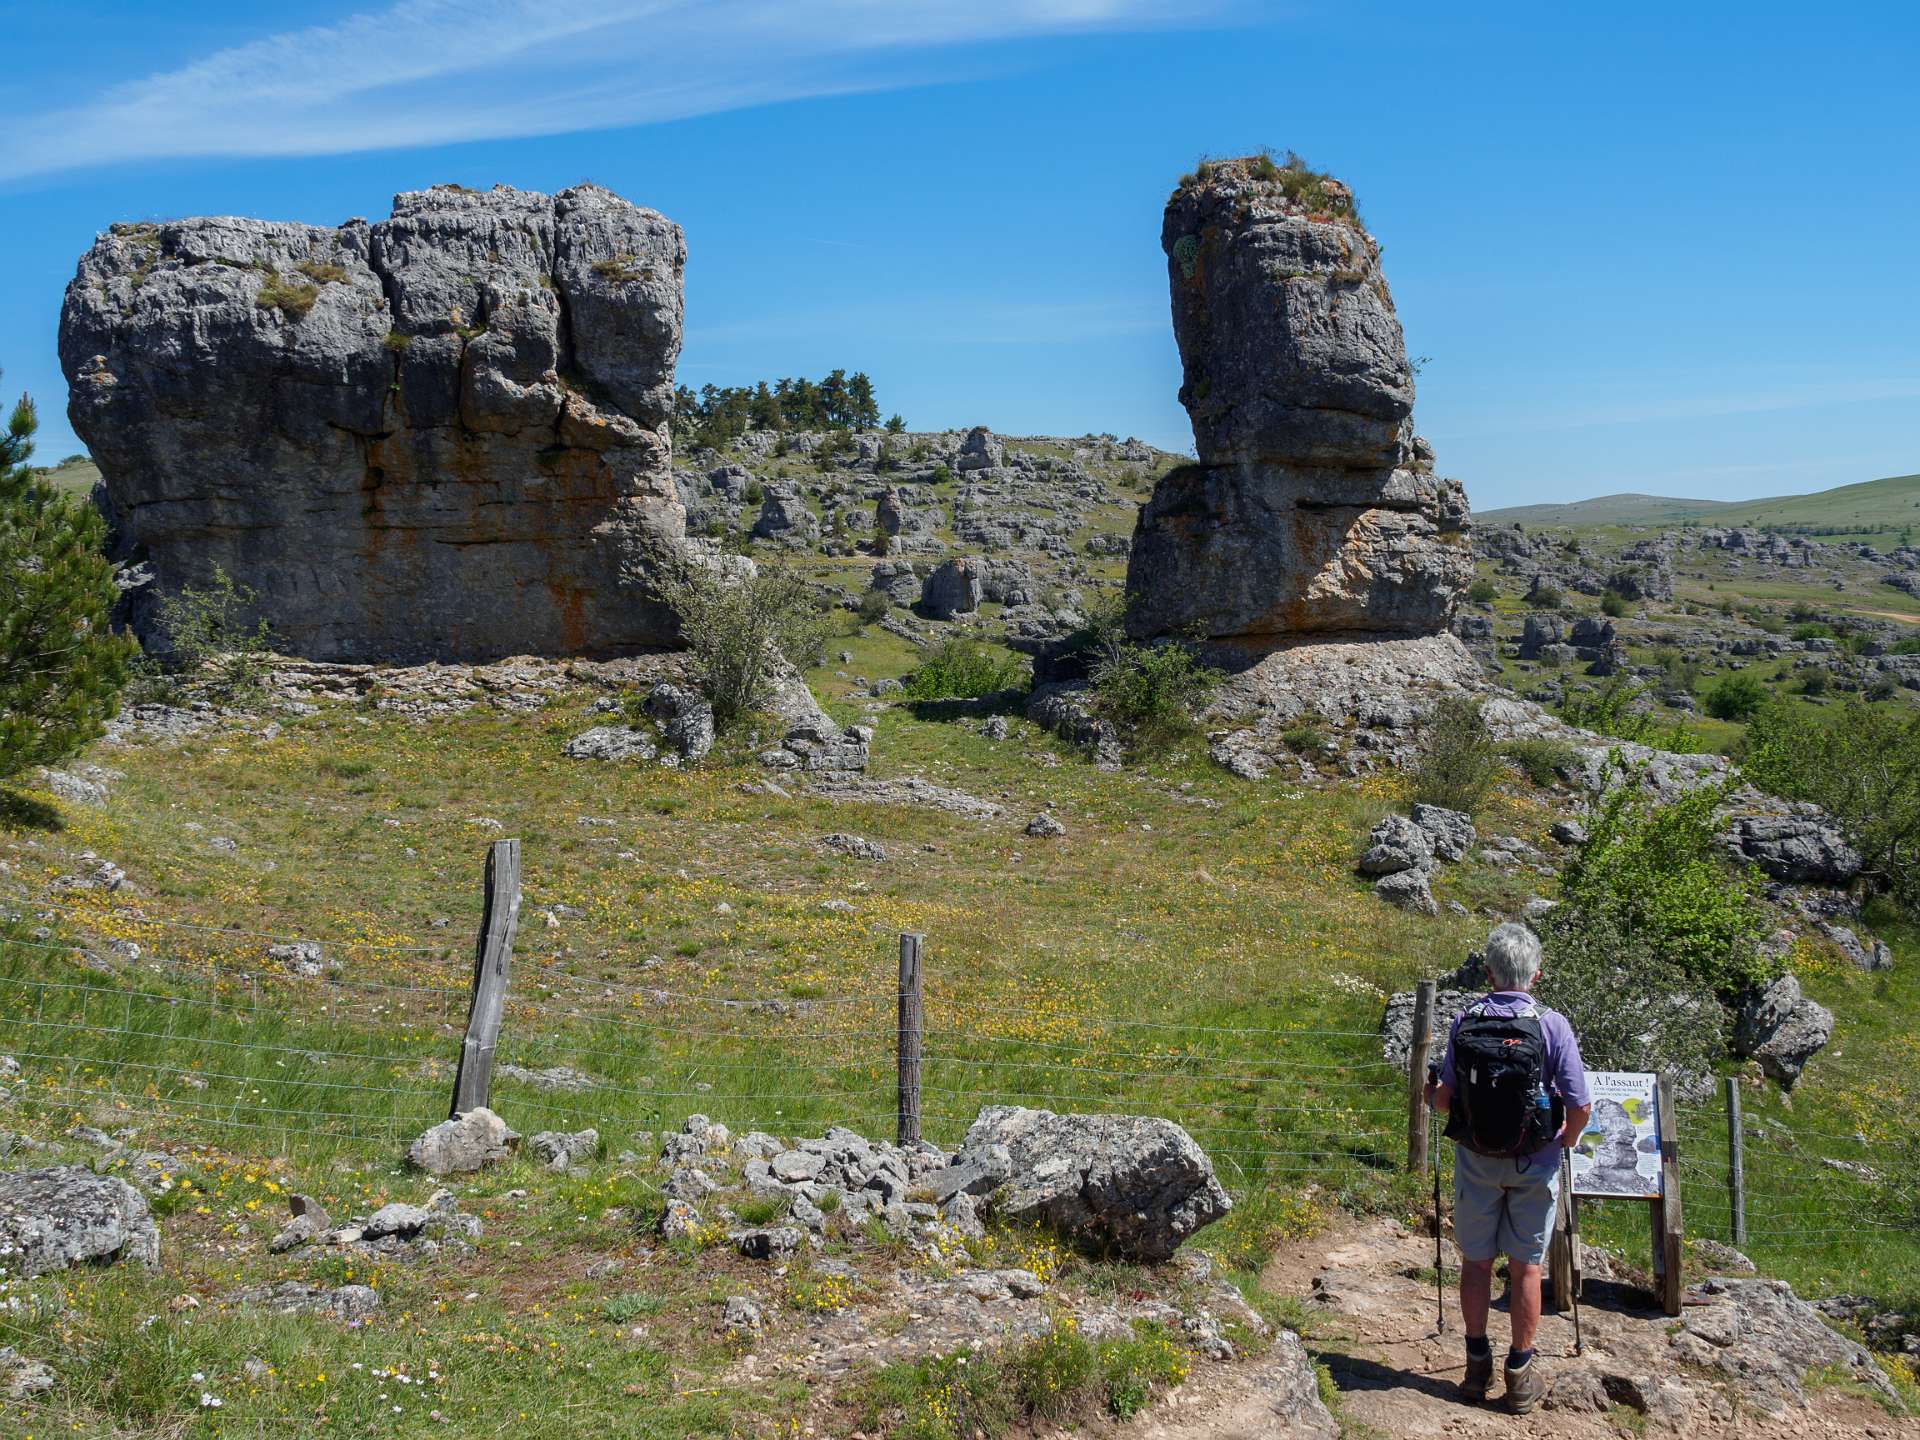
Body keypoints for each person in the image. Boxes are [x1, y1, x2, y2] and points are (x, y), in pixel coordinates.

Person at [1425, 922, 1591, 1414]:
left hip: (1476, 1160)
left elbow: (1442, 1102)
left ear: (1490, 973)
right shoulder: (1552, 1026)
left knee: (1476, 1262)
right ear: (1535, 975)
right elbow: (1580, 1105)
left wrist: (1432, 1094)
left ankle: (1476, 1366)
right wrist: (1566, 1140)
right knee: (1526, 1267)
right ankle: (1519, 1376)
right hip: (1535, 1162)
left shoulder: (1466, 1020)